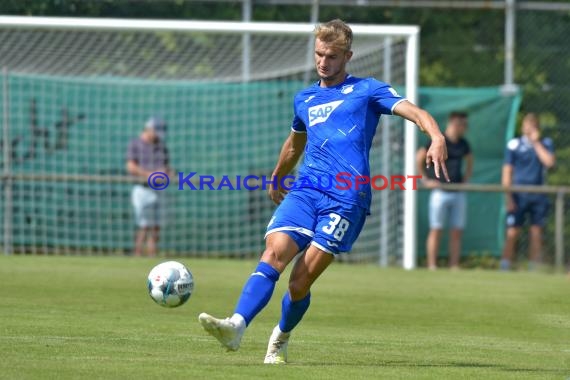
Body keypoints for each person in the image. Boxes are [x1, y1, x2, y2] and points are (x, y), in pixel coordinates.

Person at [198, 19, 449, 364]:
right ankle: (236, 325)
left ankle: (280, 337)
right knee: (274, 253)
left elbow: (416, 112)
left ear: (347, 56)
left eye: (331, 56)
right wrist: (277, 177)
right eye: (319, 54)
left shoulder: (368, 90)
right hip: (306, 190)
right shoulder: (305, 98)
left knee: (299, 283)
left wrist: (436, 136)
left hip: (347, 200)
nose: (323, 62)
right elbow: (294, 144)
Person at [416, 112, 473, 270]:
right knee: (436, 229)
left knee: (456, 231)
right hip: (439, 192)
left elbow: (470, 162)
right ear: (454, 123)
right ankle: (432, 265)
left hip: (457, 192)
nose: (465, 128)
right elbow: (419, 157)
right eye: (463, 124)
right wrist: (425, 179)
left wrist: (465, 180)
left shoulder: (464, 144)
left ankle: (454, 265)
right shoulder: (438, 140)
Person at [501, 113, 555, 270]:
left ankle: (533, 267)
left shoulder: (545, 143)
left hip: (538, 195)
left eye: (533, 125)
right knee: (512, 232)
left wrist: (536, 143)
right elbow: (507, 172)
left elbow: (550, 163)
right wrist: (508, 197)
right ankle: (505, 265)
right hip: (518, 195)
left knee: (536, 232)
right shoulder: (514, 144)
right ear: (523, 127)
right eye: (527, 125)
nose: (529, 128)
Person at [126, 117, 172, 257]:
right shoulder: (135, 144)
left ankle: (152, 256)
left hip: (158, 190)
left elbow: (166, 167)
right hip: (142, 189)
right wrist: (150, 175)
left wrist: (166, 173)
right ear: (149, 129)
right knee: (143, 225)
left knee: (156, 226)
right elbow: (131, 166)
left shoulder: (161, 146)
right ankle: (138, 255)